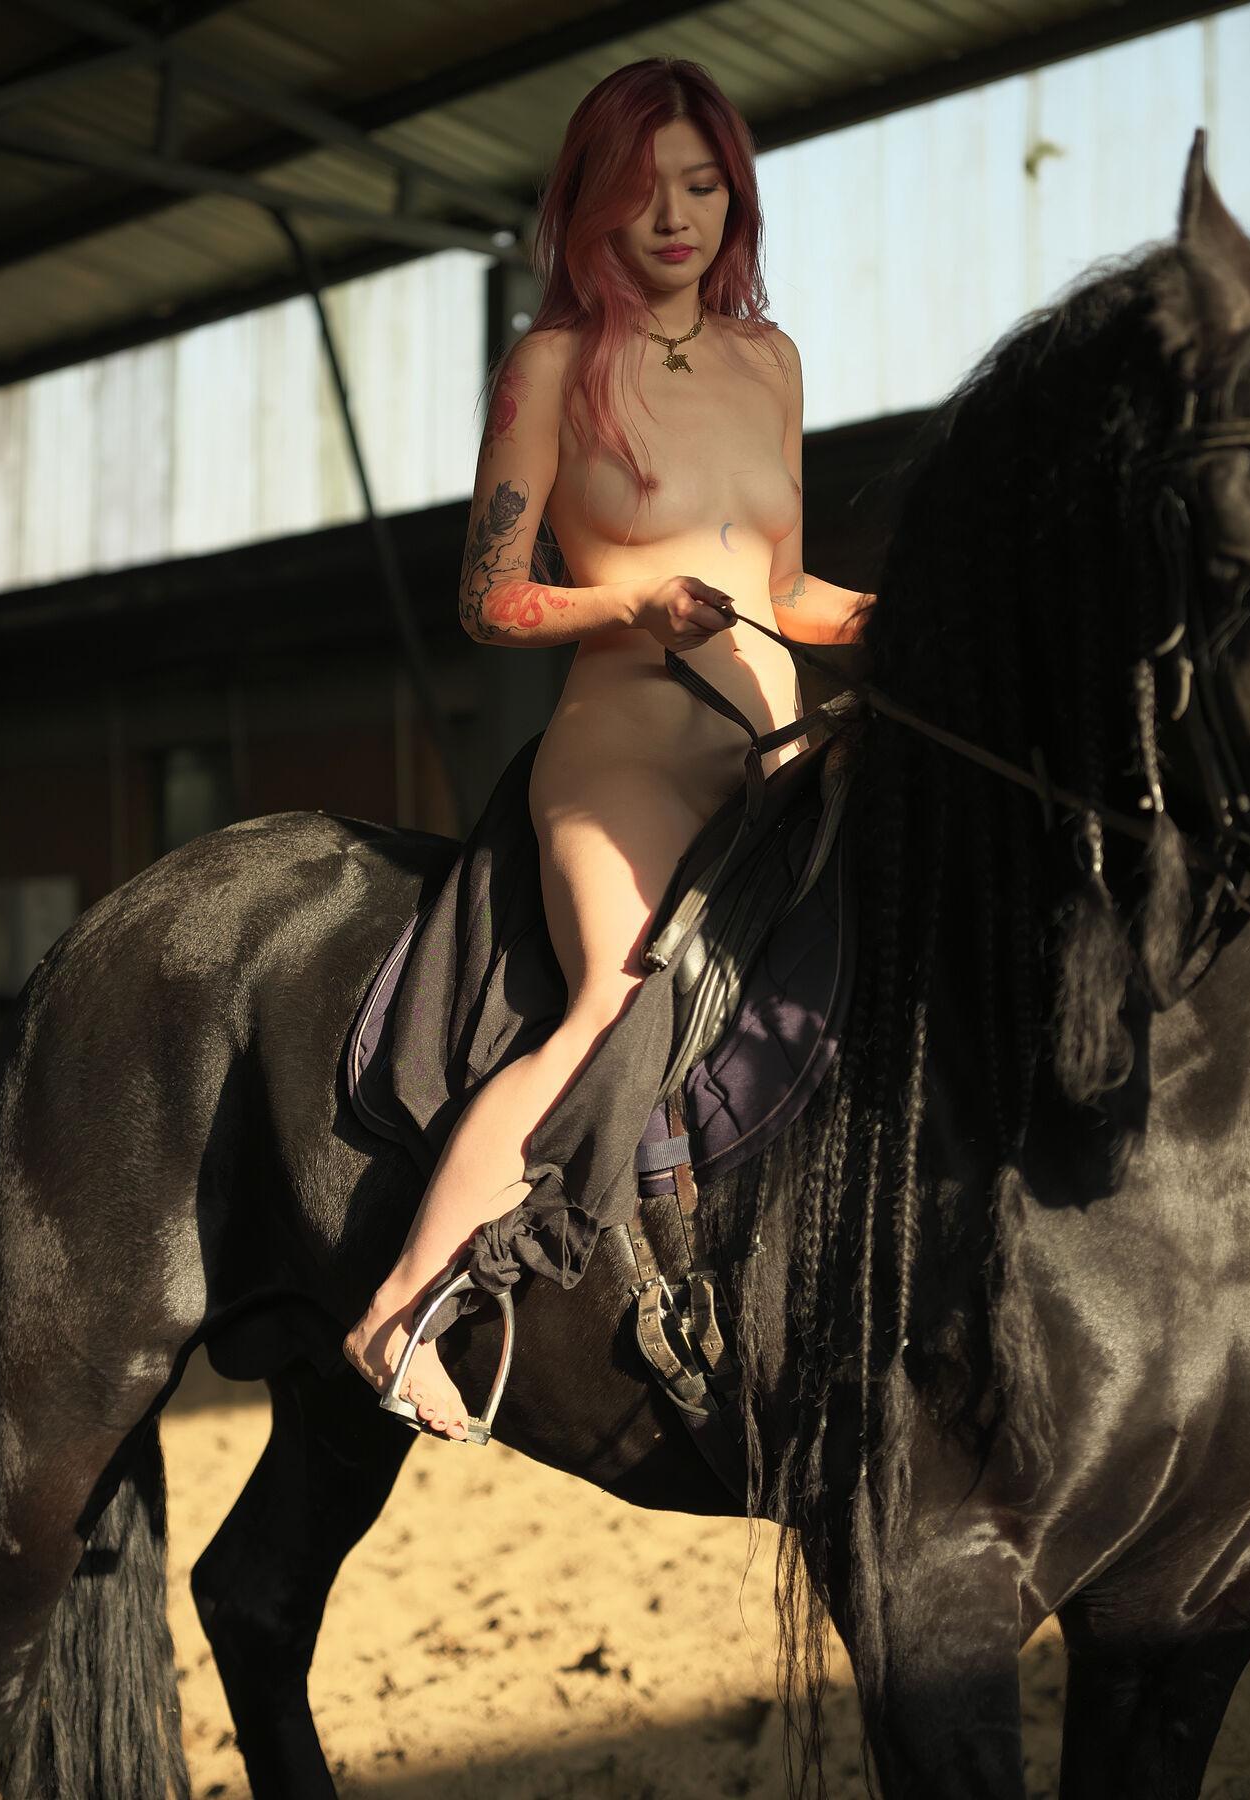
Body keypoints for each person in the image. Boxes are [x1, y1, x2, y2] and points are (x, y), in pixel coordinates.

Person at [341, 57, 874, 1440]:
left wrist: (897, 617)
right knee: (615, 994)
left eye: (703, 186)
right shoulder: (553, 368)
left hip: (775, 744)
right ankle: (401, 1305)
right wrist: (631, 602)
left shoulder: (771, 362)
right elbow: (488, 597)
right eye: (644, 191)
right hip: (624, 746)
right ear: (593, 205)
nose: (676, 217)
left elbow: (785, 589)